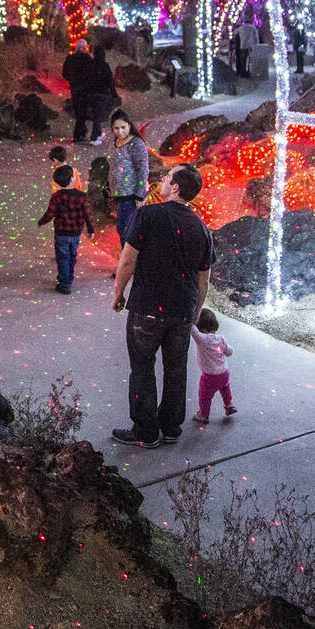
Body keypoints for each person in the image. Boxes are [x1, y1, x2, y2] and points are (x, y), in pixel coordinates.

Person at [110, 164, 215, 448]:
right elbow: (203, 279)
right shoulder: (202, 228)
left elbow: (128, 259)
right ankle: (170, 428)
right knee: (176, 369)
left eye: (167, 178)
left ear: (176, 187)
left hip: (147, 306)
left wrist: (119, 292)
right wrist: (194, 312)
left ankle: (145, 431)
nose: (163, 181)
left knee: (143, 368)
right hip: (181, 311)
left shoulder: (148, 215)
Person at [38, 164, 95, 294]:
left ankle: (65, 283)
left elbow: (50, 213)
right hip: (75, 233)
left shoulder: (56, 197)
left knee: (62, 257)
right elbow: (87, 214)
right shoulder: (81, 196)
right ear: (72, 179)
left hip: (61, 233)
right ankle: (68, 278)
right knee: (72, 255)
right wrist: (91, 229)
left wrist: (42, 221)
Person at [108, 109, 148, 247]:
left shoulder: (136, 144)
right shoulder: (116, 141)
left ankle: (129, 264)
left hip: (131, 194)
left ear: (129, 125)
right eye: (116, 128)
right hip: (118, 193)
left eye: (123, 127)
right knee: (124, 228)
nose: (120, 131)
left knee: (126, 229)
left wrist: (140, 195)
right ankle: (128, 264)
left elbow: (142, 170)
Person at [191, 308, 237, 424]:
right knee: (225, 388)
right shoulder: (221, 338)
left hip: (210, 377)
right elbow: (229, 352)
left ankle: (203, 415)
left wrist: (191, 319)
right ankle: (229, 405)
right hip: (224, 373)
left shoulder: (202, 339)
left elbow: (193, 331)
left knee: (205, 396)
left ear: (200, 326)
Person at [61, 39, 95, 144]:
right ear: (85, 48)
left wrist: (71, 80)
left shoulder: (70, 59)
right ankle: (78, 135)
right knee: (83, 113)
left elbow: (64, 73)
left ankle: (80, 133)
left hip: (74, 89)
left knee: (78, 111)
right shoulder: (88, 59)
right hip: (85, 90)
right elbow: (92, 73)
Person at [87, 45, 116, 145]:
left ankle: (98, 133)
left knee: (97, 114)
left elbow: (86, 80)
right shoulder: (104, 66)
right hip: (102, 94)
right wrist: (114, 94)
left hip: (92, 94)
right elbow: (110, 81)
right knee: (97, 116)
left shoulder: (90, 65)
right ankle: (94, 138)